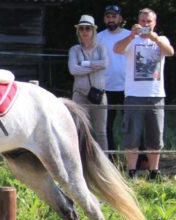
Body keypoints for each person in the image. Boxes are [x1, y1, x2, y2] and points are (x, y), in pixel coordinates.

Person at [114, 8, 174, 180]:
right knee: (131, 135)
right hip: (133, 95)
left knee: (155, 136)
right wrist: (132, 35)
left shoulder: (161, 39)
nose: (145, 24)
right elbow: (117, 49)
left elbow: (170, 52)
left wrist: (155, 39)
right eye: (143, 21)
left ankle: (154, 172)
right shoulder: (130, 40)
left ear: (155, 23)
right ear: (138, 22)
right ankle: (131, 172)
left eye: (149, 21)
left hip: (156, 95)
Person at [68, 14, 109, 151]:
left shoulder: (101, 48)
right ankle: (80, 162)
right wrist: (94, 67)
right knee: (79, 130)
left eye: (88, 28)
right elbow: (73, 69)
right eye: (82, 29)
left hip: (99, 94)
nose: (84, 32)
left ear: (93, 31)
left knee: (101, 132)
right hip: (79, 94)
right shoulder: (74, 49)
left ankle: (105, 162)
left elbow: (105, 63)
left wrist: (85, 64)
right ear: (78, 31)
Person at [97, 5, 130, 160]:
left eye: (114, 16)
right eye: (108, 16)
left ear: (120, 18)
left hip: (128, 88)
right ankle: (110, 159)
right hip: (106, 87)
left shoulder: (130, 35)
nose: (111, 19)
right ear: (104, 19)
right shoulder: (98, 37)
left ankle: (140, 160)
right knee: (106, 126)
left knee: (131, 124)